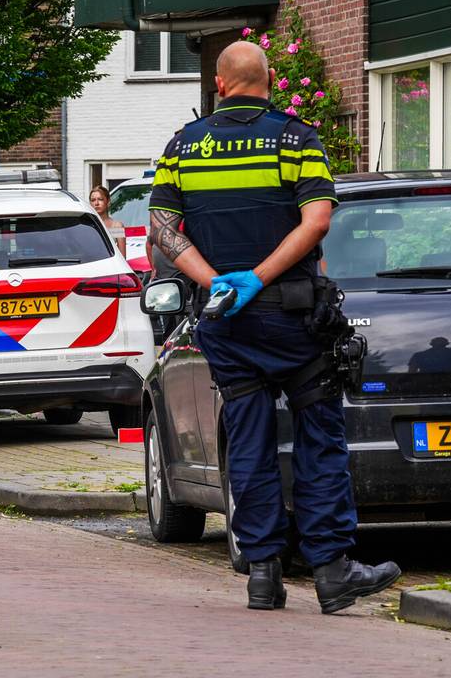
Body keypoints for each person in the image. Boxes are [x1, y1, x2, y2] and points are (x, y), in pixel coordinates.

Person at [148, 41, 399, 614]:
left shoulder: (183, 147)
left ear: (219, 84)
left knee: (247, 440)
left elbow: (162, 228)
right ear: (269, 79)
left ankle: (262, 573)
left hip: (226, 322)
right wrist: (259, 278)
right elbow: (318, 221)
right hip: (293, 319)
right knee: (319, 438)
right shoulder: (295, 139)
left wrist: (216, 283)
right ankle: (332, 570)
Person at [88, 185, 126, 256]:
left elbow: (122, 256)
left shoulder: (117, 226)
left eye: (100, 199)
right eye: (93, 200)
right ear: (90, 203)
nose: (96, 203)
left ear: (108, 202)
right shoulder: (87, 225)